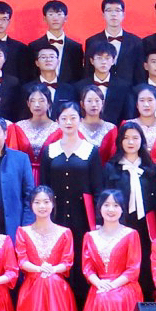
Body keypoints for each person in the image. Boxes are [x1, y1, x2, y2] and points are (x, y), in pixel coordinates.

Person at [37, 102, 104, 262]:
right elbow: (44, 187)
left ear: (80, 120)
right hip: (56, 214)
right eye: (64, 118)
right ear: (57, 121)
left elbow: (98, 188)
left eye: (73, 118)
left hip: (82, 214)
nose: (68, 122)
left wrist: (98, 220)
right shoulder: (49, 151)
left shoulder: (91, 151)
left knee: (81, 256)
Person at [78, 189, 144, 311]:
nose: (111, 209)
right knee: (102, 297)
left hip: (124, 285)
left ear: (122, 209)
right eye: (106, 205)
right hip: (100, 285)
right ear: (99, 208)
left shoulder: (131, 234)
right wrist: (100, 283)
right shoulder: (90, 236)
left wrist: (112, 286)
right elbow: (87, 268)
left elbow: (133, 269)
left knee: (109, 298)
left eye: (116, 205)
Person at [15, 186, 79, 311]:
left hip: (56, 282)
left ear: (53, 204)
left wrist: (52, 270)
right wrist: (39, 269)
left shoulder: (65, 232)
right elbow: (22, 261)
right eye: (37, 202)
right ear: (31, 205)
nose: (42, 206)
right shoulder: (23, 231)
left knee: (51, 280)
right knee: (45, 281)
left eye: (46, 202)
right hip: (32, 284)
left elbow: (67, 262)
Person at [104, 122, 156, 298]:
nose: (131, 142)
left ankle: (145, 299)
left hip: (145, 226)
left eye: (135, 138)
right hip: (120, 224)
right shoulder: (111, 167)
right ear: (120, 141)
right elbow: (104, 199)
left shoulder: (151, 169)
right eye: (126, 138)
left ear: (142, 141)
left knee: (144, 262)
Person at [15, 84, 59, 155]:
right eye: (33, 101)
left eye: (41, 101)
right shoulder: (18, 127)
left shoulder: (57, 128)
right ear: (28, 103)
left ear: (49, 103)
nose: (37, 105)